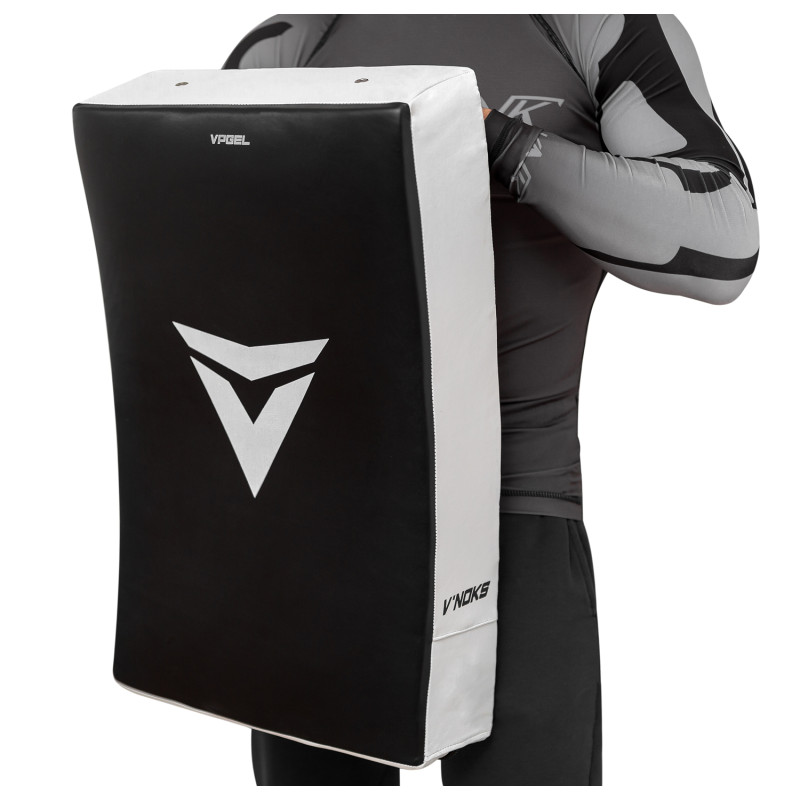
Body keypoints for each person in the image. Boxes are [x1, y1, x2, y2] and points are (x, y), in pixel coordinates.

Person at [222, 14, 759, 786]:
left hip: (520, 516)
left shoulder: (593, 27)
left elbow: (723, 238)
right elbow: (205, 267)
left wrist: (488, 138)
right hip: (324, 531)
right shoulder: (291, 41)